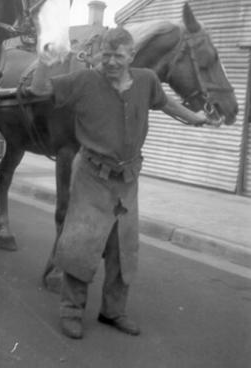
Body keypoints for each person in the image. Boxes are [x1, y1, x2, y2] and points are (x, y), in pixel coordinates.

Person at [29, 27, 211, 340]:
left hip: (127, 180)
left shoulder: (146, 80)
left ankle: (113, 311)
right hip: (91, 177)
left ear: (131, 56)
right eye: (106, 55)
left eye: (119, 55)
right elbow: (39, 89)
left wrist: (194, 118)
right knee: (81, 244)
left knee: (123, 249)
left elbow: (165, 103)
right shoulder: (84, 81)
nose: (112, 62)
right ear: (98, 55)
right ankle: (71, 311)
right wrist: (46, 57)